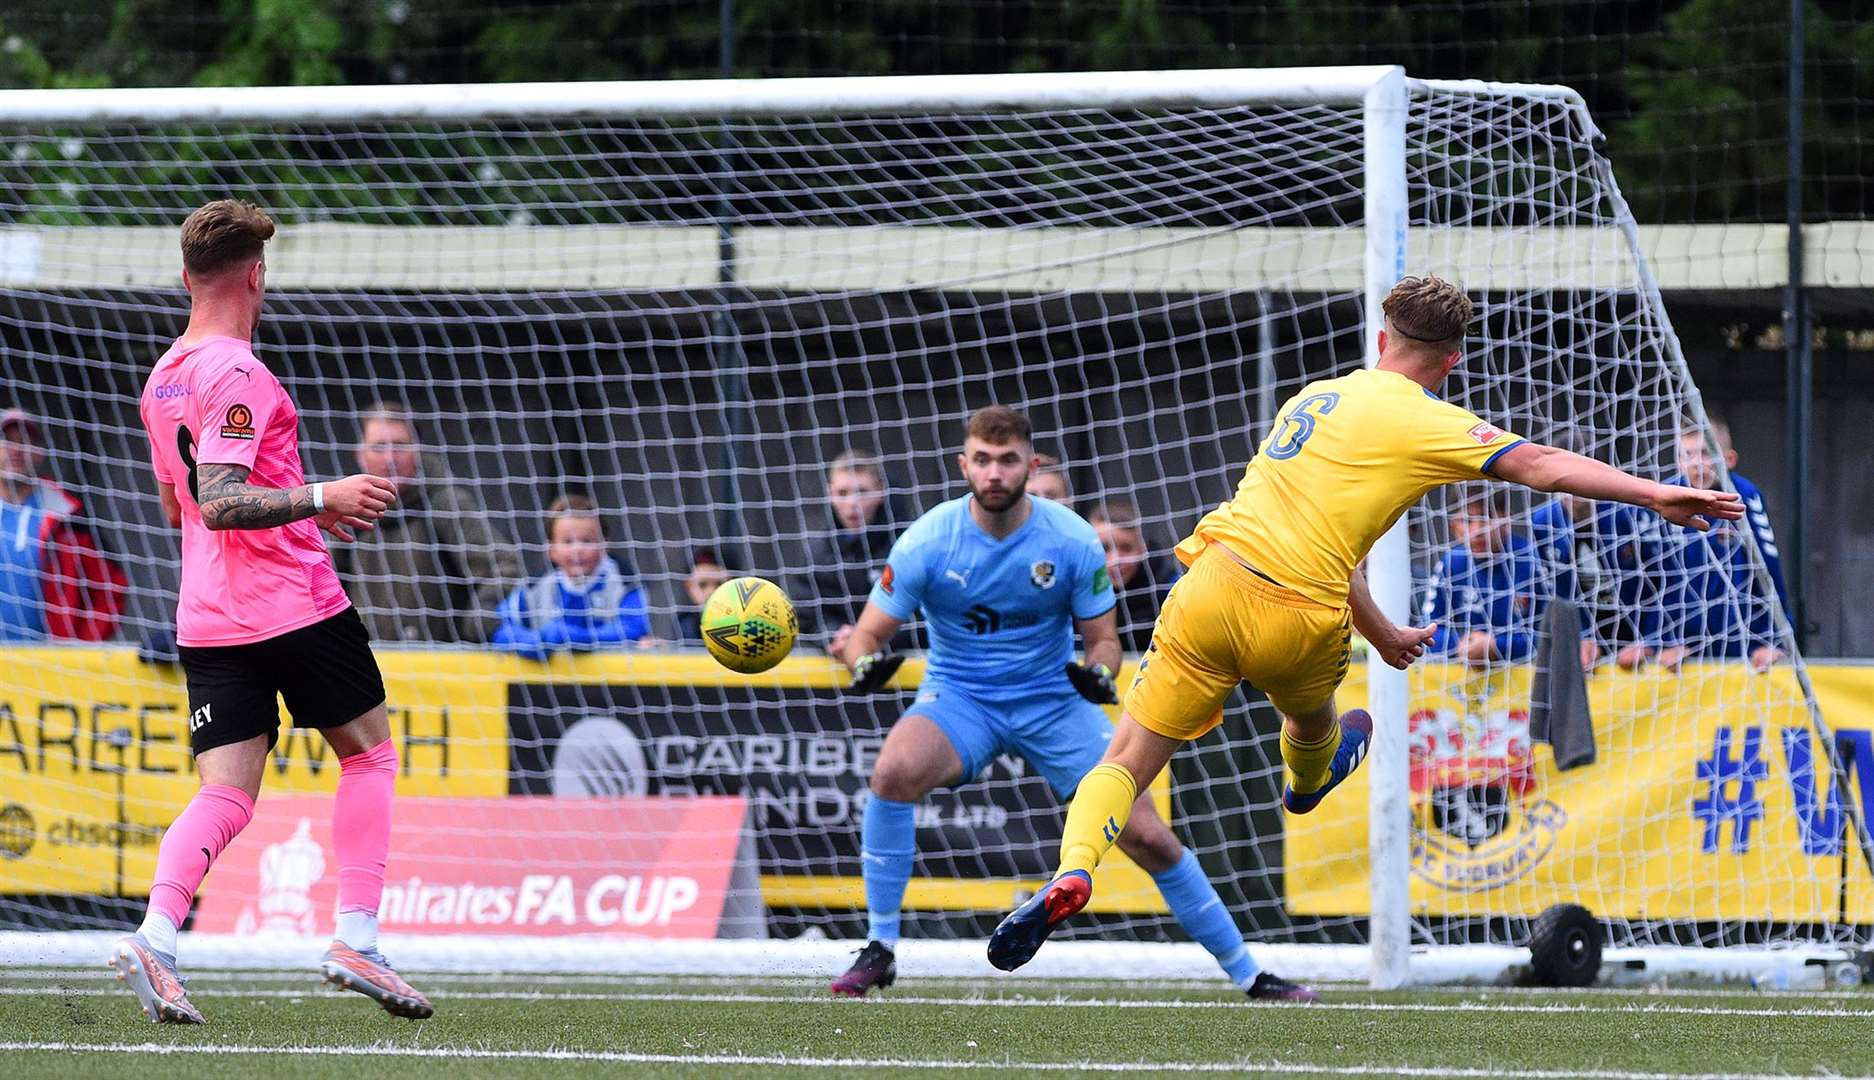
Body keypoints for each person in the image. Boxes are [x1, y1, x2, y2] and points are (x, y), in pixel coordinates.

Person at [987, 275, 1743, 971]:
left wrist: (1381, 631)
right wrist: (1656, 494)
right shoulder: (1426, 420)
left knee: (1123, 759)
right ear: (1449, 363)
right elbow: (1540, 464)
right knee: (1313, 720)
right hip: (1299, 614)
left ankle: (1074, 869)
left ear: (1382, 341)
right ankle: (1310, 777)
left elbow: (1321, 531)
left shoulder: (1312, 398)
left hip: (1212, 582)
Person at [828, 406, 1315, 1003]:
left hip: (1056, 703)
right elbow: (864, 636)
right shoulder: (928, 539)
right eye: (982, 460)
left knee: (1150, 839)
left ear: (1030, 466)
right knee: (892, 772)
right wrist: (863, 664)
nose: (995, 473)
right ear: (963, 466)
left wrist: (1098, 674)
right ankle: (879, 948)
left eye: (1008, 461)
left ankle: (1250, 974)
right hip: (961, 698)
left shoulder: (1072, 539)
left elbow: (1104, 642)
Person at [121, 199, 430, 1023]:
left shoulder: (161, 379)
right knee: (369, 757)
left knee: (226, 796)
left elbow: (177, 507)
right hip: (291, 603)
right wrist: (324, 495)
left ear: (187, 278)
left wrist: (298, 502)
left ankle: (155, 936)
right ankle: (356, 937)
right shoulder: (239, 374)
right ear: (257, 276)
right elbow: (221, 501)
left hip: (207, 615)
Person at [331, 401, 525, 645]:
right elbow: (323, 584)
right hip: (367, 661)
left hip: (439, 665)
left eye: (400, 446)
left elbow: (505, 566)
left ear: (418, 450)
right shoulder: (346, 510)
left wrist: (477, 619)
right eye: (379, 447)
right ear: (360, 454)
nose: (390, 458)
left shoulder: (445, 502)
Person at [1655, 415, 1791, 672]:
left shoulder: (1744, 495)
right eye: (1688, 454)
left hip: (1743, 641)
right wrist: (1658, 641)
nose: (1697, 464)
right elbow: (1654, 577)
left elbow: (1768, 567)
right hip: (1682, 643)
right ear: (1678, 461)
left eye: (1705, 453)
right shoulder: (1666, 497)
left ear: (1728, 459)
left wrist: (1775, 640)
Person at [1526, 426, 1667, 673]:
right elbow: (1554, 592)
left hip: (1644, 636)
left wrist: (1651, 640)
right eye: (1564, 477)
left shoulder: (1630, 515)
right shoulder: (1543, 523)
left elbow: (1664, 581)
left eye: (1582, 476)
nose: (1574, 487)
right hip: (1587, 642)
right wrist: (1581, 636)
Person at [0, 408, 127, 642]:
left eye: (25, 441)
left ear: (40, 453)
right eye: (7, 441)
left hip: (48, 669)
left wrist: (78, 649)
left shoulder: (69, 517)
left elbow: (111, 587)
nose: (16, 450)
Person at [493, 493, 654, 659]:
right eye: (568, 542)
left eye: (587, 541)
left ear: (604, 544)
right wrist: (531, 642)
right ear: (551, 549)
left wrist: (576, 637)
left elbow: (632, 629)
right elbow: (500, 629)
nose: (577, 550)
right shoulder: (535, 587)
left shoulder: (626, 583)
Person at [800, 447, 919, 657]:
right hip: (836, 671)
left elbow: (923, 616)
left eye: (862, 492)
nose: (852, 504)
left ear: (881, 491)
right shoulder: (817, 553)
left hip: (902, 669)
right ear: (830, 494)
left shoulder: (909, 546)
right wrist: (835, 635)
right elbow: (806, 615)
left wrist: (868, 639)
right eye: (842, 493)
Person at [1421, 487, 1542, 669]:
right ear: (1454, 526)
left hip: (1529, 678)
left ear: (1506, 520)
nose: (1477, 530)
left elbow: (1552, 635)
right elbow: (1426, 630)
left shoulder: (1533, 561)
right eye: (1468, 521)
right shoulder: (1451, 563)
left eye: (1487, 519)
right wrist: (1463, 644)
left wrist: (1495, 646)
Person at [1087, 497, 1178, 656]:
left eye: (1126, 548)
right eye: (1104, 548)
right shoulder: (1078, 587)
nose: (1115, 560)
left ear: (1143, 549)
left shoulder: (1170, 587)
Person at [675, 547, 730, 643]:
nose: (711, 592)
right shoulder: (683, 625)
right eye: (702, 585)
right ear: (689, 587)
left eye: (719, 584)